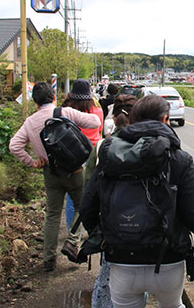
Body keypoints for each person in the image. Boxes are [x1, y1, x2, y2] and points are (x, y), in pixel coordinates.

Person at [80, 94, 194, 308]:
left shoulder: (111, 155)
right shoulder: (180, 159)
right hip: (167, 259)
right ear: (164, 120)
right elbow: (193, 213)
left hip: (121, 260)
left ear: (133, 120)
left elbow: (87, 208)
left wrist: (107, 236)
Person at [8, 81, 100, 272]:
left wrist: (32, 162)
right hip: (74, 170)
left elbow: (14, 146)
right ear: (54, 97)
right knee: (81, 207)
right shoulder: (64, 112)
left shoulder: (30, 121)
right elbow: (95, 122)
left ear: (36, 102)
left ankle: (49, 258)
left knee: (52, 215)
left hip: (51, 173)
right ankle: (72, 242)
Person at [87, 93, 137, 308]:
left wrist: (97, 232)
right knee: (136, 287)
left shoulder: (102, 147)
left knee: (107, 286)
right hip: (145, 232)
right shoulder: (151, 150)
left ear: (114, 119)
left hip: (113, 231)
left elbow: (87, 199)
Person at [61, 79, 104, 258]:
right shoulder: (98, 111)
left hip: (73, 156)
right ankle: (89, 227)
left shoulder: (70, 113)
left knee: (73, 198)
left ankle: (73, 232)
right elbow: (100, 130)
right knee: (93, 194)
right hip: (94, 154)